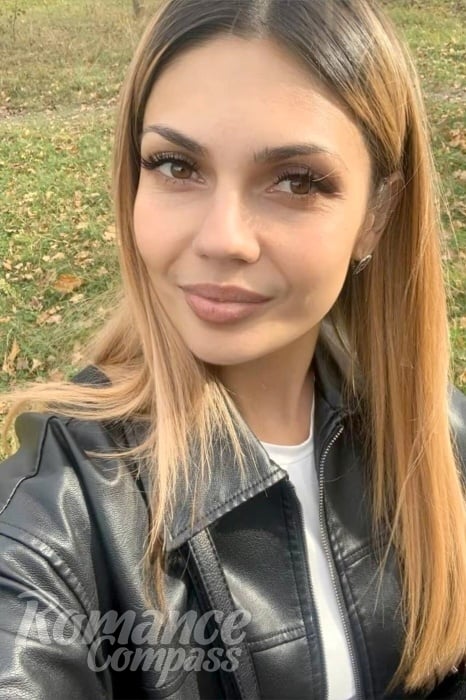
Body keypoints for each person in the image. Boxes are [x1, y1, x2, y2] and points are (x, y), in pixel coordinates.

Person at [0, 0, 465, 698]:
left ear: (376, 214)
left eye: (296, 181)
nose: (223, 238)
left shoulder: (441, 441)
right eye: (176, 165)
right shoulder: (61, 511)